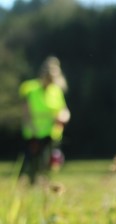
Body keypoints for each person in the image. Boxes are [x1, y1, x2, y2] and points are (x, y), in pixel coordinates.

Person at [19, 56, 70, 184]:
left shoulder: (56, 91)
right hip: (33, 134)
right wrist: (32, 131)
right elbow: (25, 112)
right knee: (31, 164)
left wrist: (64, 116)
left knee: (48, 163)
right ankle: (27, 185)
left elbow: (63, 109)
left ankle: (42, 185)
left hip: (51, 134)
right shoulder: (30, 88)